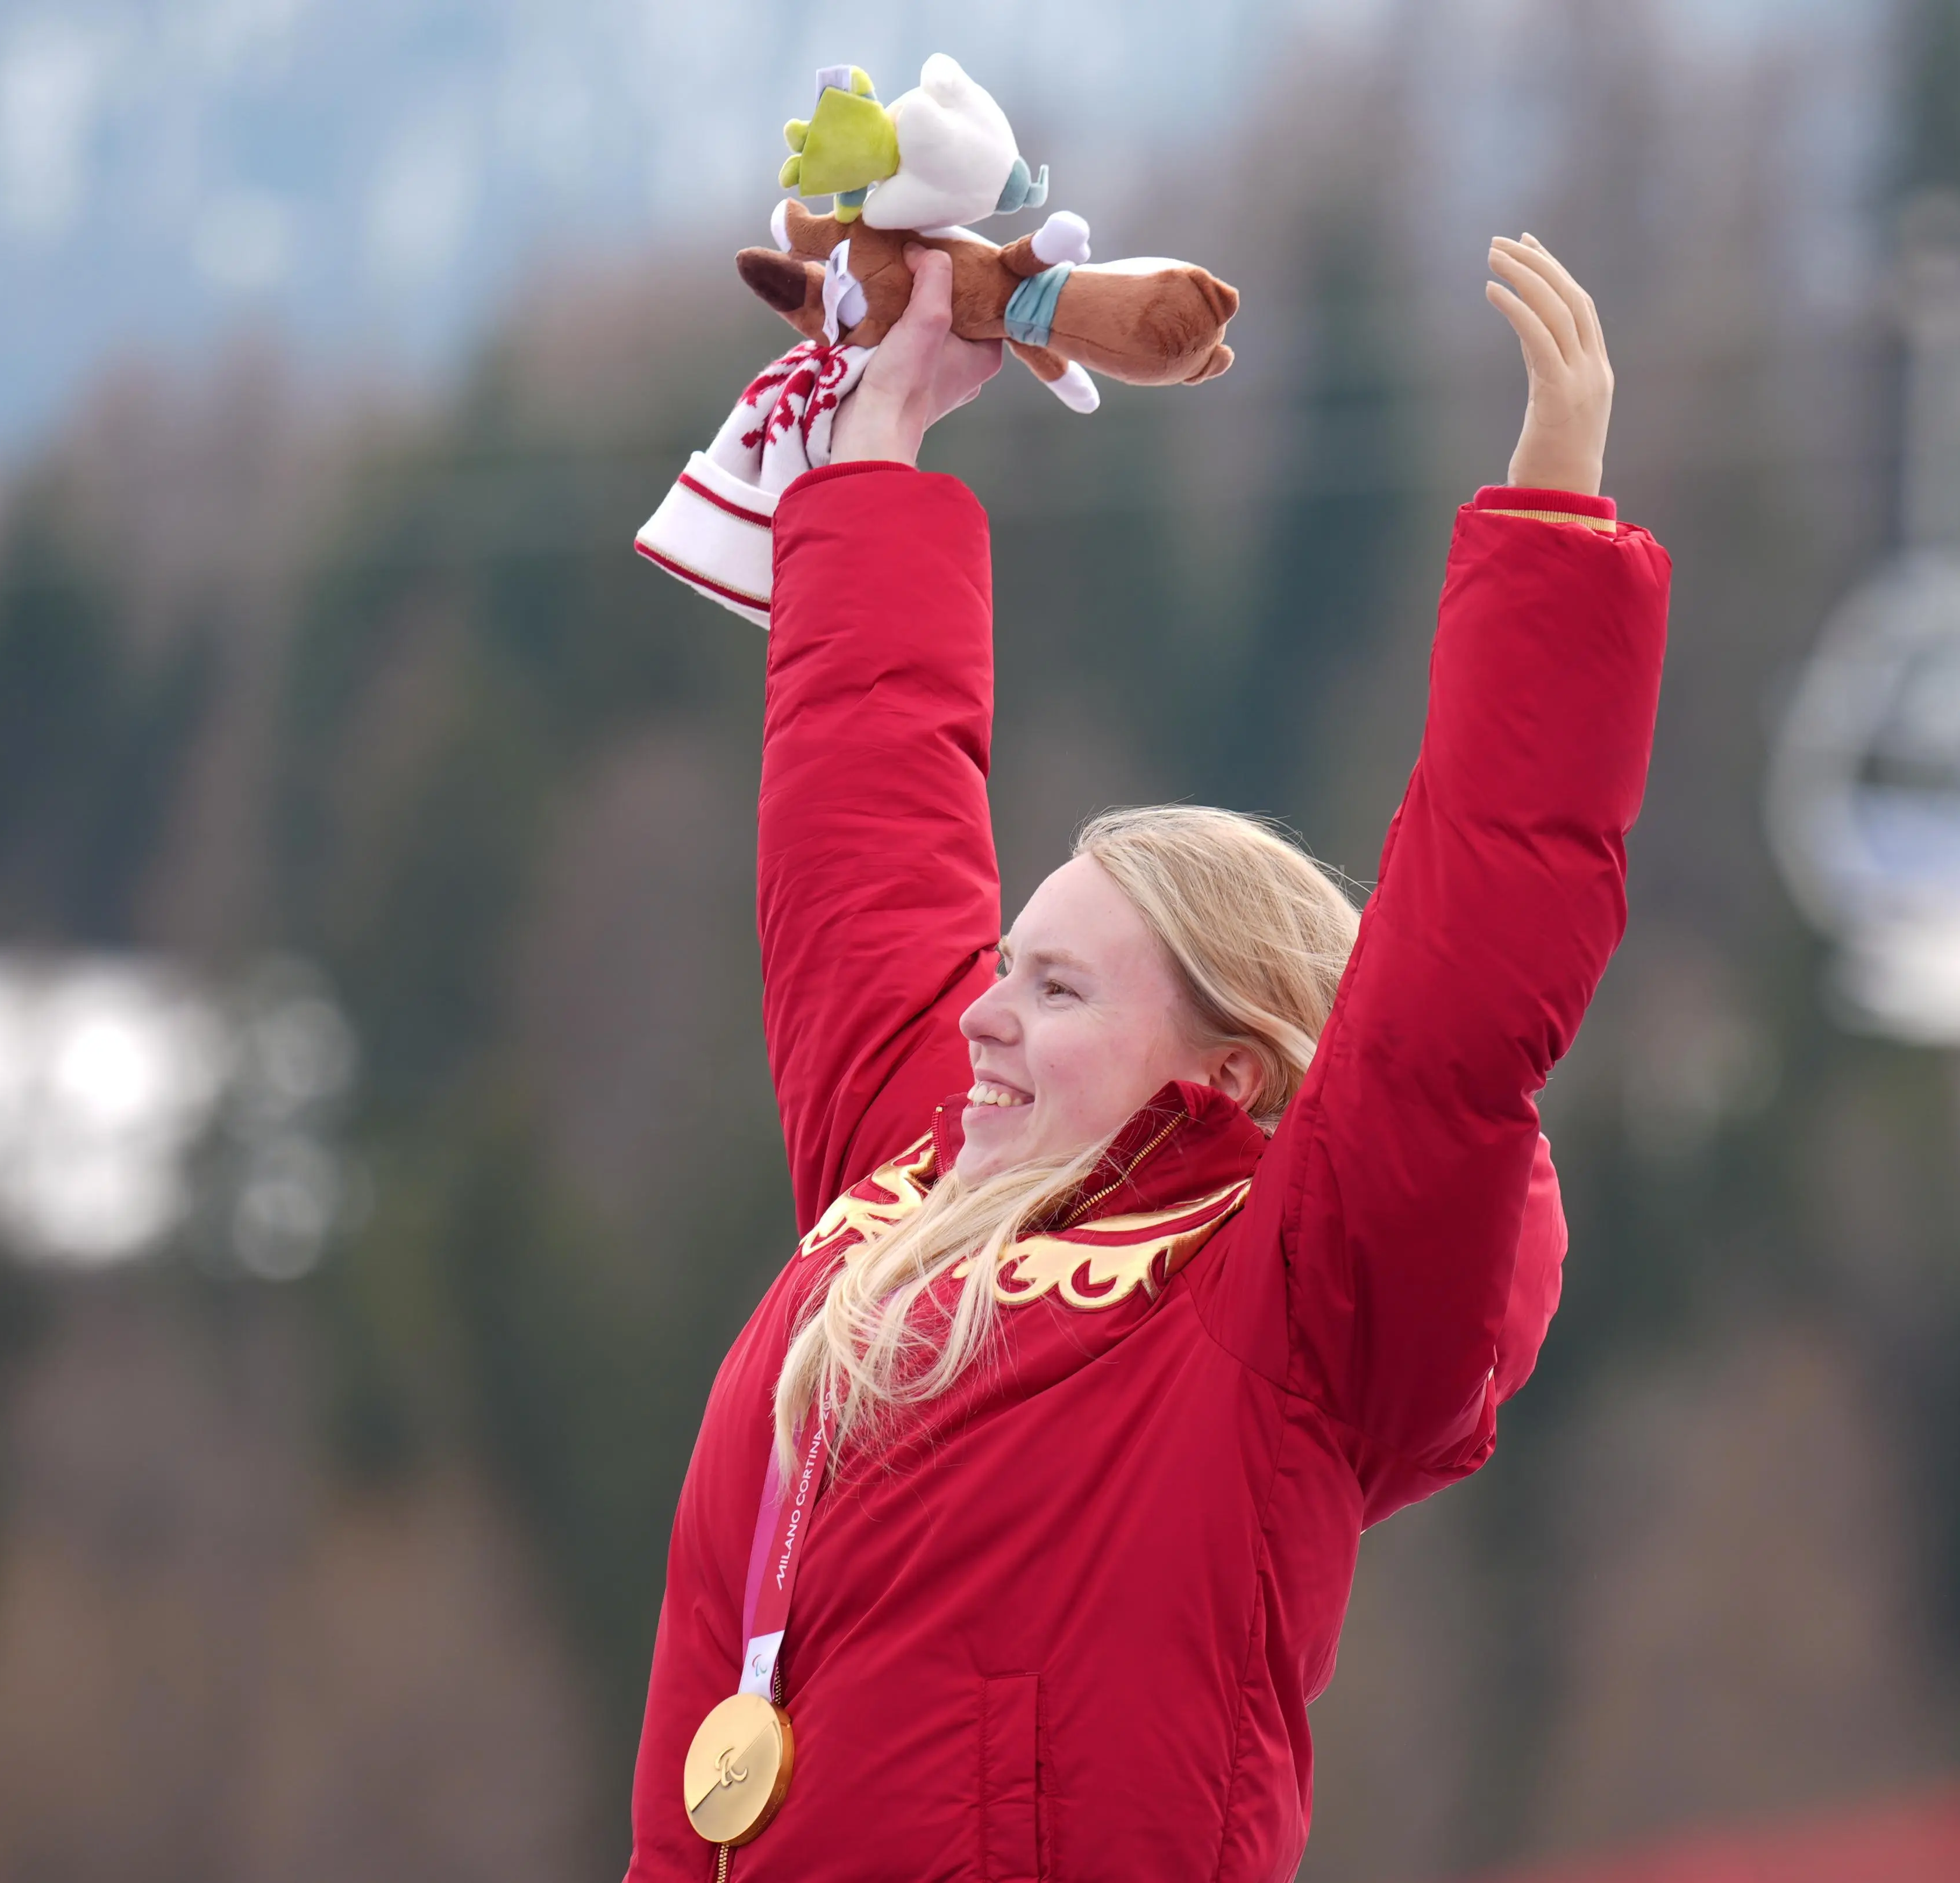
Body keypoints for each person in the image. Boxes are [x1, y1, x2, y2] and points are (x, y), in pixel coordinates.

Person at [625, 234, 1670, 1882]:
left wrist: (1549, 532)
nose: (982, 1016)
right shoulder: (916, 1176)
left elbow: (1463, 987)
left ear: (1235, 1071)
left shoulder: (1277, 1302)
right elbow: (866, 806)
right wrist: (879, 434)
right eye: (1002, 971)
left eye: (1054, 989)